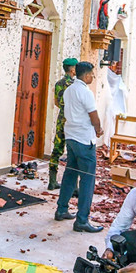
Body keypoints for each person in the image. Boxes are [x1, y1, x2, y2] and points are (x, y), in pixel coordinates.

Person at [54, 61, 103, 233]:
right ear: (87, 75)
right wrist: (98, 129)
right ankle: (82, 219)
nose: (93, 77)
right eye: (92, 74)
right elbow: (93, 116)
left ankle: (61, 209)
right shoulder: (85, 92)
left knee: (70, 173)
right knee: (88, 179)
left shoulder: (68, 90)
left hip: (71, 137)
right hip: (84, 138)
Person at [48, 58, 77, 190]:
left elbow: (56, 102)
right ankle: (74, 186)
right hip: (72, 120)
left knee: (57, 149)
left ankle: (52, 181)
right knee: (74, 151)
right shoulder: (75, 85)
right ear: (72, 69)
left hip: (61, 118)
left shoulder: (59, 83)